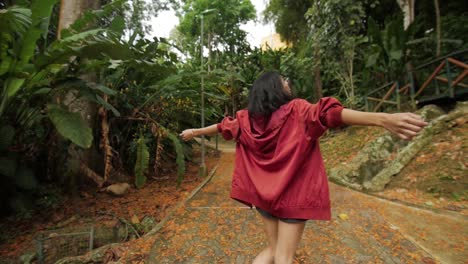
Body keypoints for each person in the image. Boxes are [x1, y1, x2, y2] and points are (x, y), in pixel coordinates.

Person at [179, 71, 428, 264]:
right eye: (283, 80)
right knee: (284, 258)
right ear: (275, 88)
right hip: (293, 199)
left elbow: (223, 126)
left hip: (264, 199)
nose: (288, 82)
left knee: (274, 251)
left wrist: (195, 131)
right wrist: (383, 119)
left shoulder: (246, 119)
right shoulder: (298, 110)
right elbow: (330, 115)